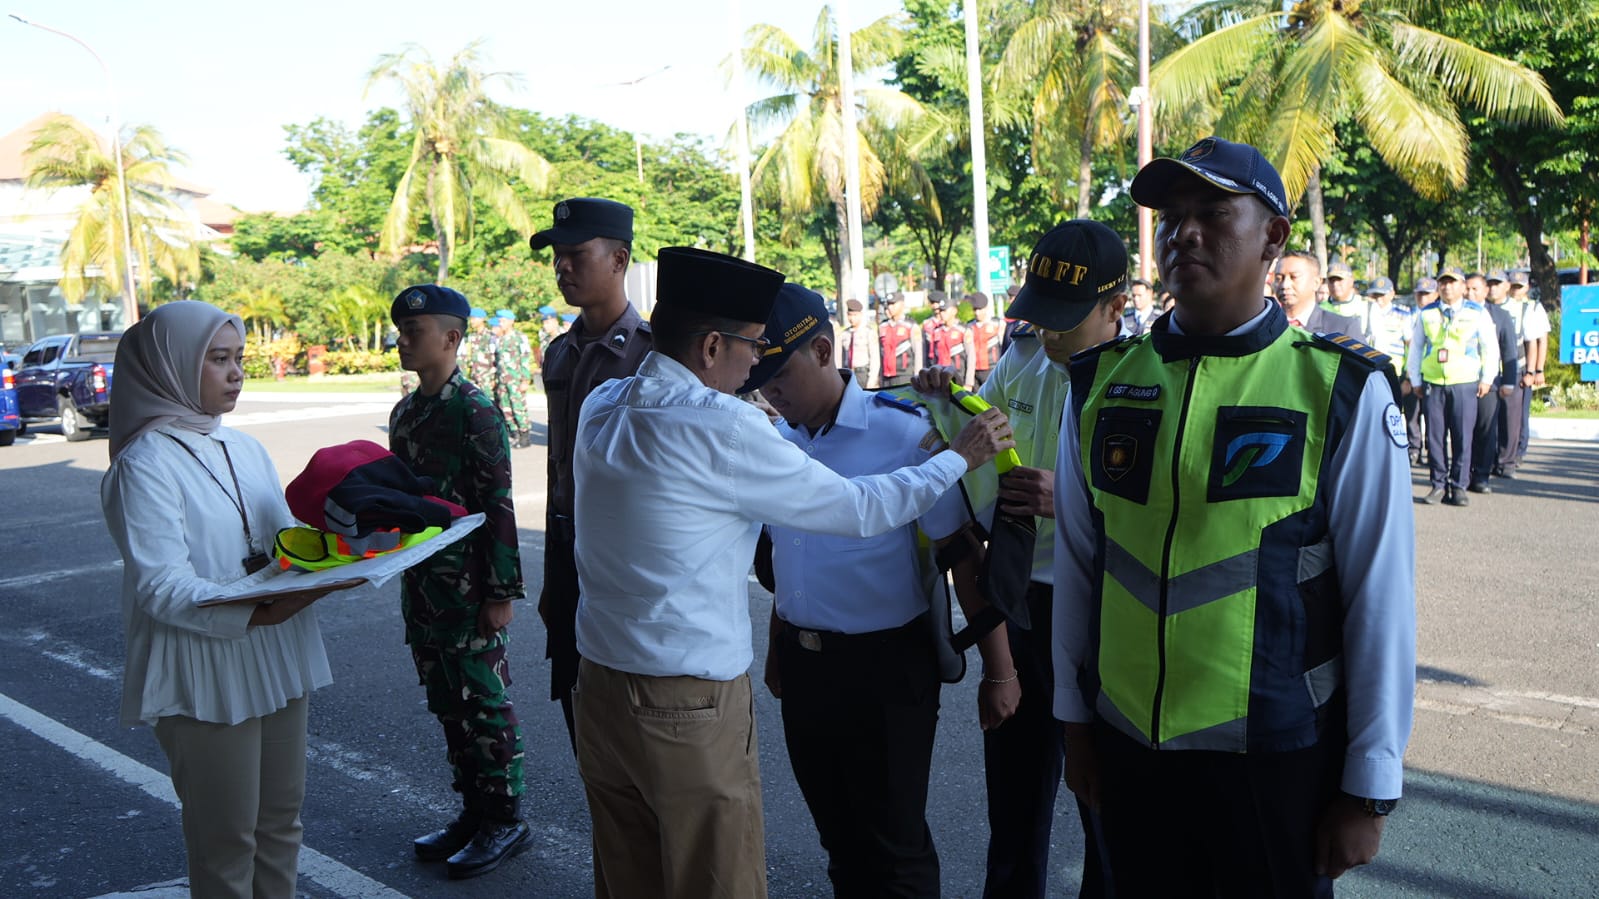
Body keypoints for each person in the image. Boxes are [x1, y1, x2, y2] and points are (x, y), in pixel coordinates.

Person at [569, 247, 1015, 899]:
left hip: (600, 688)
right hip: (684, 705)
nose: (758, 369)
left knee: (630, 874)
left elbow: (950, 548)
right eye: (752, 348)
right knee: (716, 878)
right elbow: (860, 508)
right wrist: (960, 456)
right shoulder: (724, 427)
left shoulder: (604, 401)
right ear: (712, 345)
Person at [1054, 136, 1417, 897]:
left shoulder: (1341, 391)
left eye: (1214, 212)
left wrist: (1368, 785)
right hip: (1128, 751)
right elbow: (1080, 567)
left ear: (1274, 237)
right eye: (1170, 216)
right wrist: (1074, 722)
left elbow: (1380, 599)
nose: (1183, 232)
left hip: (1274, 761)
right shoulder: (1098, 384)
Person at [749, 283, 1021, 897]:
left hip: (885, 670)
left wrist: (999, 671)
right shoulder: (778, 443)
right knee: (840, 841)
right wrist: (777, 646)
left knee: (894, 846)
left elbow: (961, 557)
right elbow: (791, 559)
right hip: (804, 666)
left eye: (779, 373)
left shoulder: (904, 435)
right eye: (760, 377)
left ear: (823, 350)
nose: (769, 389)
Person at [101, 301, 362, 898]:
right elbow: (161, 586)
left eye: (239, 358)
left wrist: (352, 545)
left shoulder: (243, 448)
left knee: (280, 825)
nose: (236, 373)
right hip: (204, 669)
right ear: (169, 368)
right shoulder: (144, 465)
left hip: (273, 652)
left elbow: (282, 543)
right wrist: (264, 605)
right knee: (226, 844)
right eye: (218, 360)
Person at [916, 219, 1129, 899]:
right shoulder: (1024, 359)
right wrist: (946, 405)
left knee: (1104, 806)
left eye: (1064, 318)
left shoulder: (1142, 378)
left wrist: (1070, 502)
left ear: (1114, 307)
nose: (1048, 330)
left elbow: (1168, 511)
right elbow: (977, 462)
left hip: (1104, 610)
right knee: (1013, 799)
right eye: (1038, 312)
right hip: (1024, 599)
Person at [388, 284, 530, 879]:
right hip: (424, 586)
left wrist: (501, 593)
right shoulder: (407, 412)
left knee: (484, 703)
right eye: (400, 330)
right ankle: (472, 811)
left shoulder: (473, 411)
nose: (403, 340)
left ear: (450, 338)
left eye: (414, 332)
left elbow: (498, 503)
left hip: (471, 588)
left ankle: (505, 818)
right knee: (447, 701)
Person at [526, 197, 651, 746]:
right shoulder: (560, 354)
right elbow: (559, 473)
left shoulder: (651, 356)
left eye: (576, 254)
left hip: (630, 566)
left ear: (619, 259)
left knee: (639, 734)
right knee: (584, 731)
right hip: (568, 554)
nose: (563, 267)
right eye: (557, 257)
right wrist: (555, 580)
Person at [1407, 266, 1500, 506]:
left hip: (1464, 381)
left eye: (1452, 282)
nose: (1447, 286)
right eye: (1443, 282)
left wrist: (1487, 377)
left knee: (1462, 436)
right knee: (1435, 437)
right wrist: (1415, 379)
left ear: (1462, 285)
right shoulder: (1426, 313)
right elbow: (1416, 347)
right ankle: (1438, 484)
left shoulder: (1477, 312)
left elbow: (1489, 347)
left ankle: (1459, 486)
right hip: (1434, 382)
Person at [1468, 271, 1520, 494]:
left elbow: (1509, 350)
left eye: (1475, 289)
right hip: (1460, 380)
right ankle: (1463, 473)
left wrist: (1509, 381)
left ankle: (1481, 475)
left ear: (1485, 290)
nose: (1470, 293)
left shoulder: (1499, 315)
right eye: (1467, 289)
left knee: (1485, 430)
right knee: (1463, 430)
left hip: (1488, 381)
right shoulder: (1454, 314)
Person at [1497, 270, 1550, 477]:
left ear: (1527, 287)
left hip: (1521, 368)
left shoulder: (1533, 307)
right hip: (1501, 370)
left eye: (1520, 286)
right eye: (1514, 286)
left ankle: (1519, 451)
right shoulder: (1502, 307)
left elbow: (1539, 341)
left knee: (1519, 416)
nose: (1516, 290)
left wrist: (1537, 369)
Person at [1365, 278, 1418, 465]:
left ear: (1392, 294)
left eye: (1382, 295)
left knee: (1399, 413)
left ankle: (1405, 449)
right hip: (1371, 370)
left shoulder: (1402, 313)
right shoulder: (1367, 313)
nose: (1378, 299)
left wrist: (1409, 377)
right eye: (1375, 295)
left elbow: (1411, 345)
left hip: (1395, 371)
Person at [1277, 250, 1367, 339]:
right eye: (1279, 278)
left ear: (1316, 283)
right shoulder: (1265, 324)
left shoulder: (1344, 328)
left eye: (1294, 277)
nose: (1285, 285)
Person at [490, 310, 534, 448]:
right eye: (499, 321)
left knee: (518, 407)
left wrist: (526, 380)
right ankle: (514, 433)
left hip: (516, 379)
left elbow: (525, 358)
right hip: (503, 379)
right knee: (505, 407)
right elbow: (497, 361)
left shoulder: (519, 337)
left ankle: (524, 435)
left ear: (511, 321)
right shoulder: (500, 339)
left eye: (503, 320)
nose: (500, 323)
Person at [879, 291, 922, 387]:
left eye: (893, 304)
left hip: (904, 375)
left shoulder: (910, 326)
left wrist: (918, 377)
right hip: (886, 376)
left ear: (902, 305)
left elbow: (918, 354)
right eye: (888, 304)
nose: (890, 307)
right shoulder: (883, 326)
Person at [837, 298, 881, 388]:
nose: (852, 318)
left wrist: (872, 380)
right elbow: (841, 357)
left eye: (855, 315)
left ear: (861, 315)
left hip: (863, 374)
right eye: (850, 315)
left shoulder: (869, 332)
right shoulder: (845, 333)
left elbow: (875, 358)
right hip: (848, 373)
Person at [967, 291, 1005, 387]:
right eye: (975, 309)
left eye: (980, 309)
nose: (977, 313)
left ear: (986, 308)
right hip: (974, 370)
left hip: (992, 368)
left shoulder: (998, 324)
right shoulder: (969, 326)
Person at [1321, 260, 1369, 330]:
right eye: (1331, 280)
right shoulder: (1321, 307)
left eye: (1340, 279)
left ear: (1351, 281)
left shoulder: (1367, 306)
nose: (1335, 284)